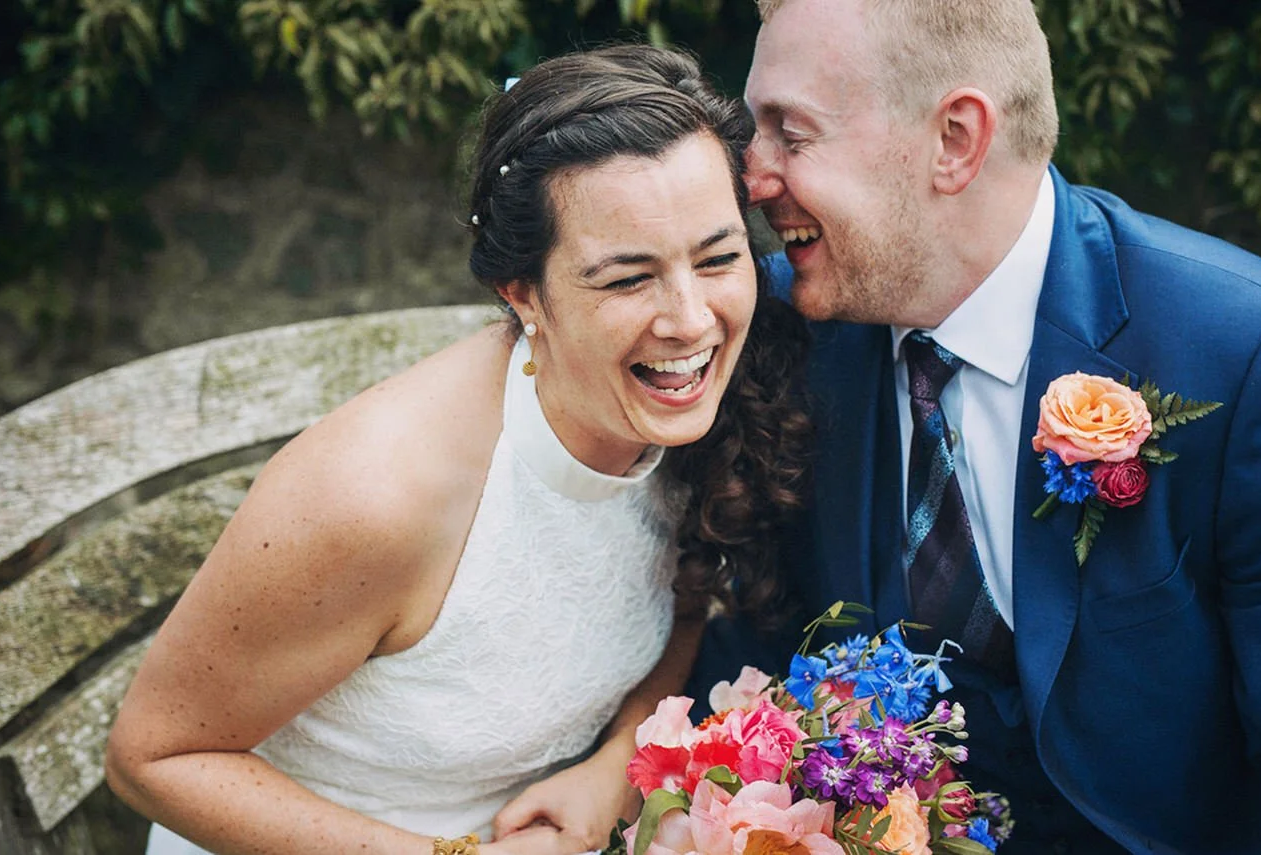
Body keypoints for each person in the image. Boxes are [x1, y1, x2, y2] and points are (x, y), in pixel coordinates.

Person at [687, 0, 1261, 853]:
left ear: (955, 139)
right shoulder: (773, 325)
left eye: (790, 133)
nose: (752, 177)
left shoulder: (1253, 358)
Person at [106, 44, 810, 855]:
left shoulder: (686, 400)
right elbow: (152, 757)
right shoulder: (376, 495)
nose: (690, 319)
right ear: (522, 293)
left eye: (719, 258)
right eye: (626, 279)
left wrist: (619, 762)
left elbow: (682, 588)